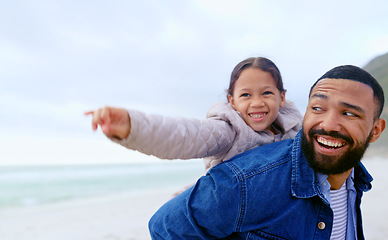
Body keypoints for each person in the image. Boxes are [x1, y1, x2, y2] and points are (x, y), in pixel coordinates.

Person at [148, 65, 387, 239]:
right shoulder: (245, 180)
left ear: (375, 130)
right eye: (317, 108)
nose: (328, 124)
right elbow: (164, 226)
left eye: (349, 114)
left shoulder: (355, 179)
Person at [86, 56, 302, 171]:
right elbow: (186, 135)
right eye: (246, 95)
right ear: (232, 101)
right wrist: (133, 126)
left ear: (281, 97)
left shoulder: (296, 128)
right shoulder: (228, 130)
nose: (257, 103)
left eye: (266, 93)